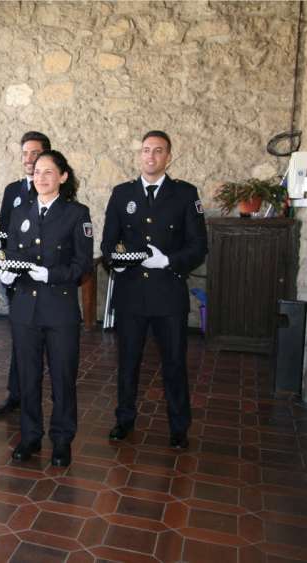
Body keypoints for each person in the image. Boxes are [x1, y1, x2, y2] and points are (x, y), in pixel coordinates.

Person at [101, 130, 208, 449]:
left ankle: (179, 427)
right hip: (131, 294)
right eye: (146, 150)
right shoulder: (122, 193)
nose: (151, 156)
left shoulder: (185, 194)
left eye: (158, 150)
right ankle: (124, 420)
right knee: (128, 362)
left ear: (168, 157)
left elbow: (199, 246)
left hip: (168, 293)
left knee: (174, 363)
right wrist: (117, 262)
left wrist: (168, 261)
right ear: (140, 155)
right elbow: (108, 242)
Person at [0, 150, 92, 467]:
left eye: (49, 172)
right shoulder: (20, 212)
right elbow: (13, 252)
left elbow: (82, 264)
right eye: (37, 172)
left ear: (63, 177)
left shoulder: (76, 213)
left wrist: (51, 274)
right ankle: (30, 436)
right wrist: (8, 273)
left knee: (63, 377)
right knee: (28, 377)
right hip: (25, 308)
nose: (41, 177)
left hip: (59, 308)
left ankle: (62, 439)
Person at [0, 131, 51, 419]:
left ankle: (45, 393)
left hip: (44, 279)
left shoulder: (54, 187)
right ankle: (15, 394)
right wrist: (5, 266)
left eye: (35, 153)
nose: (29, 159)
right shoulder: (13, 190)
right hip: (17, 280)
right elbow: (4, 232)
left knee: (48, 342)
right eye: (25, 153)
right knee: (20, 338)